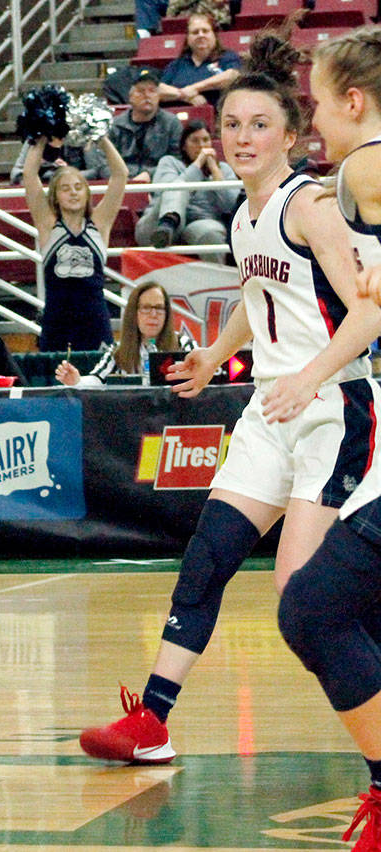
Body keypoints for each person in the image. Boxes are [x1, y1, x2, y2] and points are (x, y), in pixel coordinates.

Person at [79, 31, 381, 768]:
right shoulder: (245, 216)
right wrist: (216, 354)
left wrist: (310, 375)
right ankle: (152, 720)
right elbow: (260, 292)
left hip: (334, 408)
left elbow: (369, 311)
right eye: (232, 125)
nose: (242, 138)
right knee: (207, 556)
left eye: (260, 125)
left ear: (292, 136)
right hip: (270, 411)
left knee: (304, 594)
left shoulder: (312, 205)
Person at [271, 25, 381, 849]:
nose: (312, 121)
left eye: (317, 104)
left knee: (314, 609)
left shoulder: (362, 168)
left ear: (353, 101)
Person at [23, 133, 129, 352]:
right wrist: (41, 137)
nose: (73, 193)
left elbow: (120, 175)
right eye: (65, 188)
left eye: (78, 187)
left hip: (95, 322)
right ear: (55, 196)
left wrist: (100, 137)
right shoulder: (48, 224)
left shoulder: (99, 223)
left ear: (87, 193)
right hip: (57, 323)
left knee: (100, 373)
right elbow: (29, 174)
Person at [54, 281, 196, 385]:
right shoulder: (118, 350)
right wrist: (77, 381)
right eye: (146, 308)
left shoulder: (184, 345)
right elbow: (98, 379)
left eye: (159, 308)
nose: (153, 314)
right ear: (134, 313)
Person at [134, 118, 240, 249]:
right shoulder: (169, 162)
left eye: (205, 140)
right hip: (157, 223)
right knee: (177, 188)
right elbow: (165, 193)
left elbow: (231, 206)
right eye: (195, 141)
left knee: (211, 232)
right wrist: (198, 164)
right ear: (184, 146)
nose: (201, 146)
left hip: (199, 222)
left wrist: (215, 171)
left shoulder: (223, 169)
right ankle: (168, 223)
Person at [92, 68, 183, 183]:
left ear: (159, 96)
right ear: (130, 97)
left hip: (160, 183)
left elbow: (177, 161)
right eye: (140, 91)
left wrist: (150, 175)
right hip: (120, 182)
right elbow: (103, 163)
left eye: (152, 91)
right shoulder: (114, 125)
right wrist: (123, 179)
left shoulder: (171, 123)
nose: (147, 95)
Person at [158, 12, 242, 108]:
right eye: (195, 32)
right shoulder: (177, 65)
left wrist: (194, 88)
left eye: (205, 31)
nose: (200, 35)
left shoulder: (227, 57)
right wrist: (185, 96)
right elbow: (158, 89)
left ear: (214, 35)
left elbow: (232, 76)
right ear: (188, 38)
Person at [8, 136, 104, 185]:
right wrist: (36, 166)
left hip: (76, 185)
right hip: (43, 188)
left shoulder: (84, 136)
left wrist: (67, 172)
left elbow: (96, 172)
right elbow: (16, 174)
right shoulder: (35, 137)